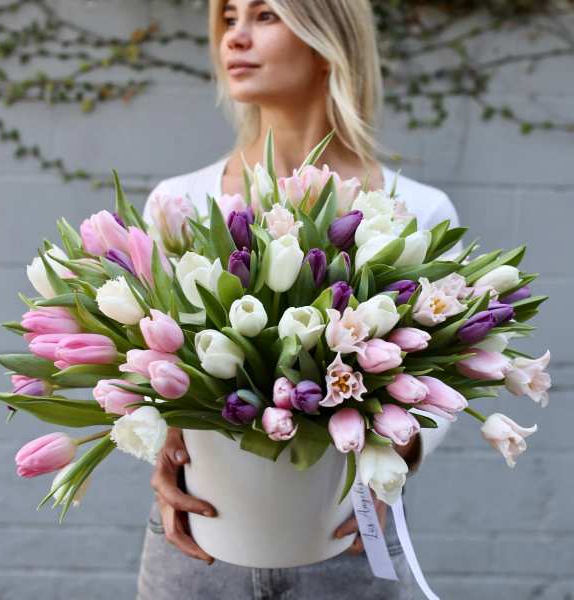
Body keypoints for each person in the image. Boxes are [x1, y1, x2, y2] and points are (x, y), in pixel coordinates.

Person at [136, 1, 461, 598]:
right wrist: (163, 448)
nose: (235, 37)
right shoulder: (179, 204)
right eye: (229, 18)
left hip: (349, 536)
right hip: (200, 538)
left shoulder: (417, 210)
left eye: (264, 16)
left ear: (324, 39)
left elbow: (448, 376)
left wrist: (398, 455)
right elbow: (145, 363)